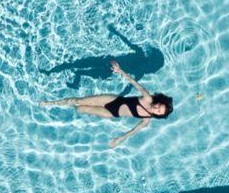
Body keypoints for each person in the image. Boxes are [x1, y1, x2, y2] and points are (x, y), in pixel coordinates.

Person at [40, 60, 173, 148]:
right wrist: (120, 70)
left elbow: (133, 131)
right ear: (158, 101)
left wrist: (118, 140)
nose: (156, 109)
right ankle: (50, 103)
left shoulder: (146, 120)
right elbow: (134, 83)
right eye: (158, 106)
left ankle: (66, 104)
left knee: (80, 109)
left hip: (111, 113)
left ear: (158, 116)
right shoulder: (148, 98)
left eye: (158, 112)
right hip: (112, 100)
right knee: (79, 100)